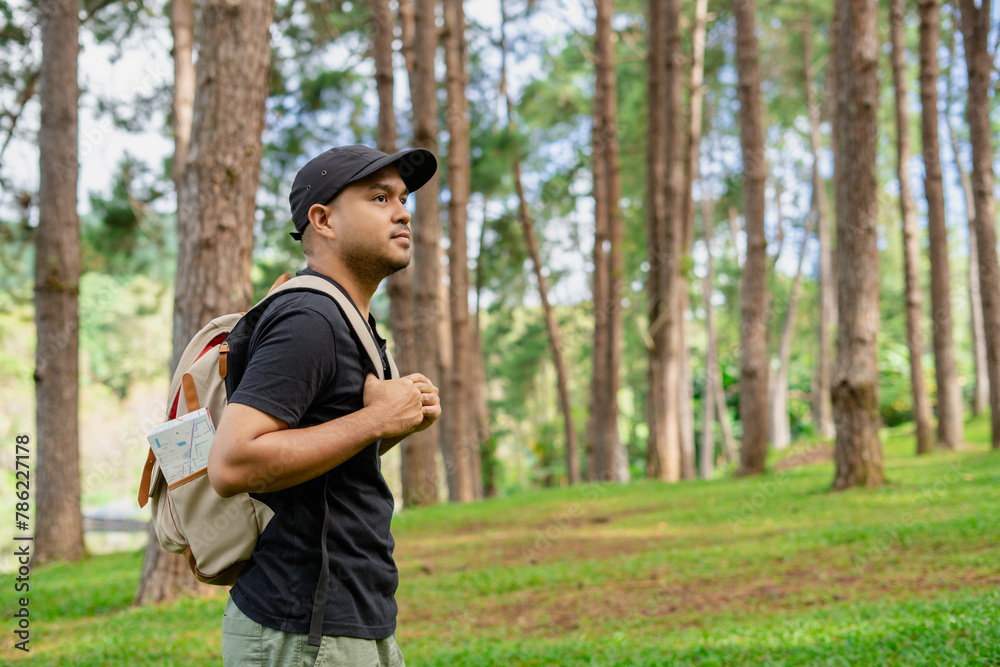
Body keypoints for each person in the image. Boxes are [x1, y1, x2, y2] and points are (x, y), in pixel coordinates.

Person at [208, 144, 442, 666]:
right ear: (323, 219)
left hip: (349, 619)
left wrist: (392, 426)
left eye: (403, 199)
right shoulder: (308, 318)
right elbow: (233, 462)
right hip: (304, 631)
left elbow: (321, 468)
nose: (403, 212)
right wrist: (376, 419)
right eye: (379, 197)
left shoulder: (346, 318)